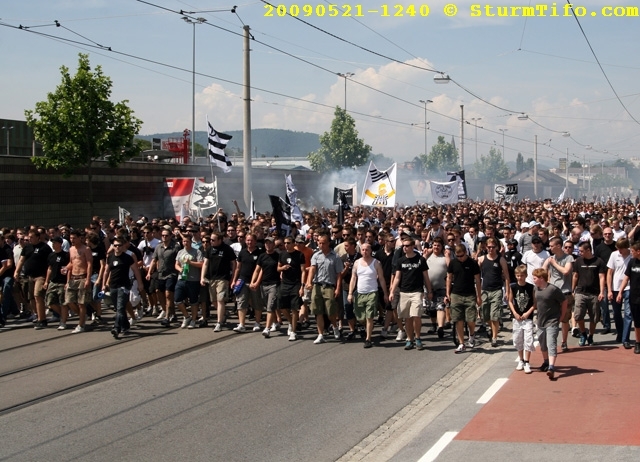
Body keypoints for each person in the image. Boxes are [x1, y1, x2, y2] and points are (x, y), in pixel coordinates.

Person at [389, 236, 433, 350]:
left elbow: (426, 277)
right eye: (403, 246)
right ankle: (410, 339)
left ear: (413, 246)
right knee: (407, 318)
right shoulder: (400, 261)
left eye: (407, 245)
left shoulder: (420, 260)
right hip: (404, 291)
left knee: (416, 315)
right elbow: (397, 277)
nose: (405, 248)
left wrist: (429, 291)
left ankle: (418, 338)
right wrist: (392, 291)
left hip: (417, 291)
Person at [347, 243, 389, 348]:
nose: (365, 252)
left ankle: (368, 338)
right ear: (360, 251)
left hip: (372, 292)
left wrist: (385, 293)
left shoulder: (376, 263)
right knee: (360, 317)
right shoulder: (357, 263)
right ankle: (366, 327)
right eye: (363, 250)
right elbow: (353, 278)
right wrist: (350, 293)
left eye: (367, 250)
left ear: (370, 251)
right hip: (360, 293)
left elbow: (381, 279)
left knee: (369, 316)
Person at [103, 237, 146, 339]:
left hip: (124, 286)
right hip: (113, 285)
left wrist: (140, 284)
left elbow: (136, 270)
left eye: (119, 245)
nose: (117, 247)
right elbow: (106, 271)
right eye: (115, 245)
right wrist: (104, 284)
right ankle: (125, 325)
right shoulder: (110, 257)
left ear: (123, 247)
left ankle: (116, 327)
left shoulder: (128, 257)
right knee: (118, 308)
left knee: (120, 307)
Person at [305, 233, 343, 344]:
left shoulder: (335, 257)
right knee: (318, 311)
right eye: (319, 243)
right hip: (317, 285)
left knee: (330, 310)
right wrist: (309, 282)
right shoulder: (316, 255)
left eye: (323, 243)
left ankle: (335, 326)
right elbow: (312, 269)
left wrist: (338, 288)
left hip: (329, 286)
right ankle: (320, 334)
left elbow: (339, 274)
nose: (321, 245)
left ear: (328, 243)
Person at [445, 244, 482, 353]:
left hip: (470, 294)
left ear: (466, 253)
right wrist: (448, 293)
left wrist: (479, 296)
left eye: (461, 256)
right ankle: (462, 343)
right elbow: (449, 278)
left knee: (471, 319)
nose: (460, 258)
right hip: (456, 294)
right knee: (458, 320)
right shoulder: (453, 263)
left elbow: (478, 280)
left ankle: (471, 334)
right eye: (458, 256)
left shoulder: (472, 263)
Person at [532, 268, 567, 379]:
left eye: (535, 278)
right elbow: (536, 303)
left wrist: (561, 316)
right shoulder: (535, 289)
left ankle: (551, 367)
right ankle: (546, 362)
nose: (533, 280)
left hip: (552, 320)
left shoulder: (553, 289)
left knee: (551, 343)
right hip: (540, 321)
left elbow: (564, 301)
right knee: (542, 344)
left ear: (541, 278)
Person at [14, 230, 52, 329]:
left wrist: (47, 279)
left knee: (38, 295)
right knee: (31, 298)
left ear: (38, 237)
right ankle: (37, 315)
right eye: (29, 237)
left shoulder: (45, 248)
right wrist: (17, 272)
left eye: (32, 237)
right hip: (30, 276)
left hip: (40, 276)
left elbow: (50, 264)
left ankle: (42, 319)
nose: (29, 239)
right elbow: (21, 260)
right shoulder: (27, 247)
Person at [477, 237, 511, 347]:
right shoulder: (481, 259)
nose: (491, 249)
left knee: (494, 316)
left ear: (496, 247)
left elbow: (506, 277)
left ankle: (494, 338)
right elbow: (476, 276)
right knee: (485, 315)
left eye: (493, 247)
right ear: (485, 247)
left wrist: (507, 291)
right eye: (489, 247)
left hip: (497, 290)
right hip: (485, 290)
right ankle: (491, 330)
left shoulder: (501, 260)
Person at [572, 241, 606, 346]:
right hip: (580, 292)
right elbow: (575, 276)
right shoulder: (578, 261)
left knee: (594, 317)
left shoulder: (599, 261)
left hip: (594, 293)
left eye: (582, 251)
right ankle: (583, 334)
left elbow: (601, 277)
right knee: (578, 315)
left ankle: (591, 336)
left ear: (588, 250)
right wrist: (573, 289)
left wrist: (601, 292)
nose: (580, 253)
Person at [543, 236, 574, 351]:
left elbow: (566, 271)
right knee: (552, 320)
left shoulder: (568, 258)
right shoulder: (550, 258)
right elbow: (543, 270)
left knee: (565, 319)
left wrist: (554, 264)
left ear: (558, 246)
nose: (550, 248)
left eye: (552, 246)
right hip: (553, 292)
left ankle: (564, 342)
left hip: (565, 292)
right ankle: (552, 343)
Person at [201, 232, 237, 332]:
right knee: (213, 301)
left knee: (220, 299)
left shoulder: (227, 249)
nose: (210, 242)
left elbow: (234, 263)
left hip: (223, 278)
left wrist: (233, 277)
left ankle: (219, 322)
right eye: (210, 240)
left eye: (213, 240)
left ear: (220, 240)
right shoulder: (209, 249)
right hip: (212, 278)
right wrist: (202, 277)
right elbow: (205, 263)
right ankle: (223, 314)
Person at [231, 233, 265, 332]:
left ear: (255, 241)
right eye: (248, 240)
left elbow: (261, 269)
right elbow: (238, 268)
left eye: (251, 240)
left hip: (254, 282)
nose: (249, 242)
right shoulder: (242, 253)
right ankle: (242, 324)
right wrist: (234, 280)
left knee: (256, 302)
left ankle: (257, 322)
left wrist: (257, 282)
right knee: (241, 302)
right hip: (242, 280)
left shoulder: (260, 253)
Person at [275, 236, 305, 340]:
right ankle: (291, 321)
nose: (286, 245)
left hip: (296, 283)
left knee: (294, 307)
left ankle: (293, 331)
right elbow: (278, 268)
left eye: (288, 243)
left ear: (293, 244)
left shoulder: (300, 255)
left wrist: (302, 286)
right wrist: (282, 268)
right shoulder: (282, 254)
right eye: (285, 243)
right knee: (281, 305)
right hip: (285, 283)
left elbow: (303, 271)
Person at [148, 229, 180, 325]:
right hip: (160, 274)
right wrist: (149, 272)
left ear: (170, 236)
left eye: (166, 235)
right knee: (158, 291)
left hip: (171, 274)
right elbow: (154, 260)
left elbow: (179, 260)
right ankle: (170, 313)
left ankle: (167, 317)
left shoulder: (175, 247)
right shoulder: (158, 247)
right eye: (163, 235)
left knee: (168, 294)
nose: (164, 237)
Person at [65, 230, 93, 333]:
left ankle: (81, 325)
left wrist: (88, 279)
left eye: (74, 238)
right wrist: (66, 269)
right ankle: (83, 316)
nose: (72, 240)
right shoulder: (71, 249)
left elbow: (89, 264)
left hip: (83, 277)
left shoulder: (86, 249)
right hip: (73, 277)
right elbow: (72, 263)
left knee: (81, 303)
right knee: (69, 301)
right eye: (71, 238)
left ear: (79, 238)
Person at [509, 265, 535, 373]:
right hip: (517, 318)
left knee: (528, 339)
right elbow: (510, 301)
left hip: (527, 318)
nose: (520, 278)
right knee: (518, 339)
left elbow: (535, 303)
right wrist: (514, 313)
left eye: (522, 276)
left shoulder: (531, 287)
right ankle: (521, 360)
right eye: (518, 276)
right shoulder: (513, 287)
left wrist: (528, 312)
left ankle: (527, 361)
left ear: (526, 276)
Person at [607, 238, 633, 348]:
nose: (620, 251)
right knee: (617, 313)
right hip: (615, 287)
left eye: (621, 249)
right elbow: (609, 273)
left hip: (629, 288)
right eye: (618, 249)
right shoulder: (614, 255)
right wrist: (609, 290)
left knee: (628, 313)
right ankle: (620, 332)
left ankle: (625, 338)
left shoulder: (633, 255)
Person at [615, 241, 640, 354]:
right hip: (634, 297)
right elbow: (626, 278)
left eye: (633, 251)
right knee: (637, 322)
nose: (631, 253)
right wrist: (620, 292)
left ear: (638, 252)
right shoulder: (632, 262)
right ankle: (638, 343)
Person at [174, 235, 203, 329]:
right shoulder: (180, 252)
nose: (185, 243)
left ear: (191, 242)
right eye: (184, 241)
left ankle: (193, 320)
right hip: (181, 278)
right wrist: (180, 269)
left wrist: (191, 263)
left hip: (193, 279)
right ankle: (187, 316)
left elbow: (201, 264)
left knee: (193, 301)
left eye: (187, 241)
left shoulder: (196, 252)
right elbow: (176, 264)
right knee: (177, 300)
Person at [43, 237, 70, 330]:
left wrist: (68, 282)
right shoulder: (51, 255)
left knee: (63, 303)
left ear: (60, 244)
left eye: (55, 243)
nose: (53, 245)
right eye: (52, 243)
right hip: (53, 282)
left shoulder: (66, 255)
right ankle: (63, 315)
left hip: (62, 282)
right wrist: (46, 281)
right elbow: (49, 268)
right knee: (49, 302)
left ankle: (63, 321)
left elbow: (69, 269)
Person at [426, 237, 449, 338]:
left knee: (440, 307)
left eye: (438, 245)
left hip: (441, 287)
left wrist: (447, 256)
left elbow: (450, 268)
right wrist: (426, 253)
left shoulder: (444, 257)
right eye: (434, 245)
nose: (436, 247)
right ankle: (433, 325)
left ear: (442, 247)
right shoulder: (428, 256)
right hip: (428, 287)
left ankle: (440, 327)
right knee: (431, 308)